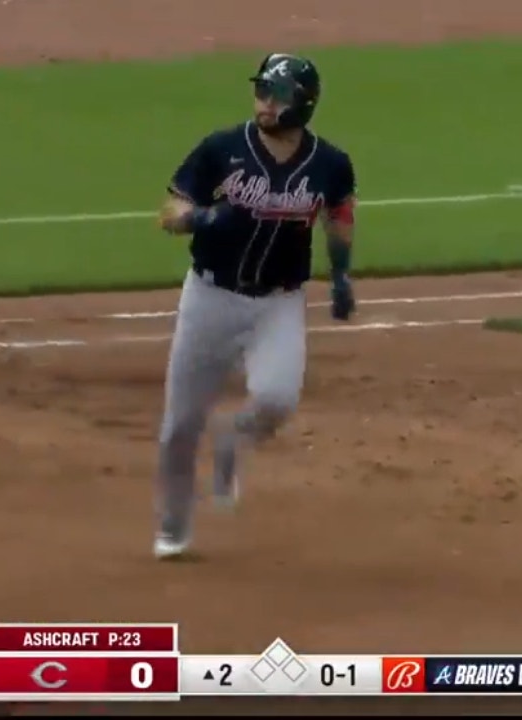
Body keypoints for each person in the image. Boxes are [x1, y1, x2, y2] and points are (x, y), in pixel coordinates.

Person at [152, 52, 358, 559]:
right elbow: (169, 212)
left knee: (277, 398)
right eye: (262, 90)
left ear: (303, 104)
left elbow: (340, 217)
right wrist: (200, 219)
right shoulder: (223, 148)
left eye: (277, 93)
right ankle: (173, 527)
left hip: (278, 304)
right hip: (209, 298)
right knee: (180, 423)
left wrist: (341, 276)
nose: (265, 101)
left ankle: (232, 441)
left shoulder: (330, 164)